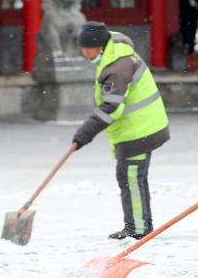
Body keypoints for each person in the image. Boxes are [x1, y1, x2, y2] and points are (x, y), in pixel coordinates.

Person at [72, 22, 170, 240]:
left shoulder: (117, 67)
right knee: (131, 176)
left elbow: (112, 108)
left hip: (140, 130)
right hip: (139, 127)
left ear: (99, 46)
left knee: (131, 177)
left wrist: (83, 134)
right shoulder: (114, 51)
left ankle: (139, 229)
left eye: (87, 49)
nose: (86, 54)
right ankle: (137, 224)